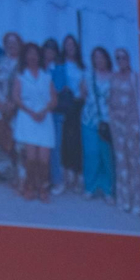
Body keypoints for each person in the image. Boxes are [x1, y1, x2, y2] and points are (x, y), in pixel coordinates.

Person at [12, 43, 57, 201]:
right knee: (31, 158)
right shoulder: (21, 76)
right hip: (27, 118)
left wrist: (44, 111)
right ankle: (29, 186)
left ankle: (43, 187)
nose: (32, 56)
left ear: (39, 56)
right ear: (25, 56)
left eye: (35, 53)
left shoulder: (46, 76)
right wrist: (31, 112)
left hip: (44, 118)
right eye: (29, 53)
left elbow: (54, 99)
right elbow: (16, 97)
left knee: (44, 159)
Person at [108, 49, 140, 216]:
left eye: (123, 57)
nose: (121, 60)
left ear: (128, 58)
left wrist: (138, 125)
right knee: (121, 162)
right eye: (117, 58)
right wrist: (113, 115)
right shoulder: (113, 77)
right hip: (117, 125)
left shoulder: (135, 77)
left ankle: (138, 202)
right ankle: (124, 200)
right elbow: (109, 100)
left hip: (132, 124)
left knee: (135, 163)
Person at [81, 47, 115, 201]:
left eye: (101, 57)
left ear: (107, 58)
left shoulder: (113, 77)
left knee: (106, 155)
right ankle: (90, 187)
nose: (99, 60)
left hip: (108, 121)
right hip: (89, 120)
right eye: (96, 57)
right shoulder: (88, 75)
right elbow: (83, 94)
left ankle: (108, 189)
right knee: (91, 154)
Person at [0, 32, 24, 184]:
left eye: (14, 42)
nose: (12, 45)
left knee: (17, 140)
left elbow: (25, 87)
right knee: (1, 137)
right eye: (9, 43)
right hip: (0, 106)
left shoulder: (23, 63)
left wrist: (13, 104)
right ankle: (6, 172)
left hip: (18, 108)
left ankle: (20, 172)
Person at [59, 35, 86, 194]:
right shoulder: (60, 64)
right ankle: (66, 176)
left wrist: (81, 96)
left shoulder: (82, 66)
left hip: (78, 105)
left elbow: (84, 86)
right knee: (65, 141)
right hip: (65, 105)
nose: (70, 47)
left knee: (77, 141)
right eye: (67, 44)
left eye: (72, 44)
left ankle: (76, 176)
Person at [43, 39, 67, 195]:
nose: (49, 53)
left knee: (55, 149)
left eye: (52, 50)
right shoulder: (38, 67)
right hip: (40, 113)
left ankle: (57, 180)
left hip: (55, 114)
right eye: (47, 50)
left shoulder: (59, 69)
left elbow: (57, 89)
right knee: (42, 147)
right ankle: (45, 178)